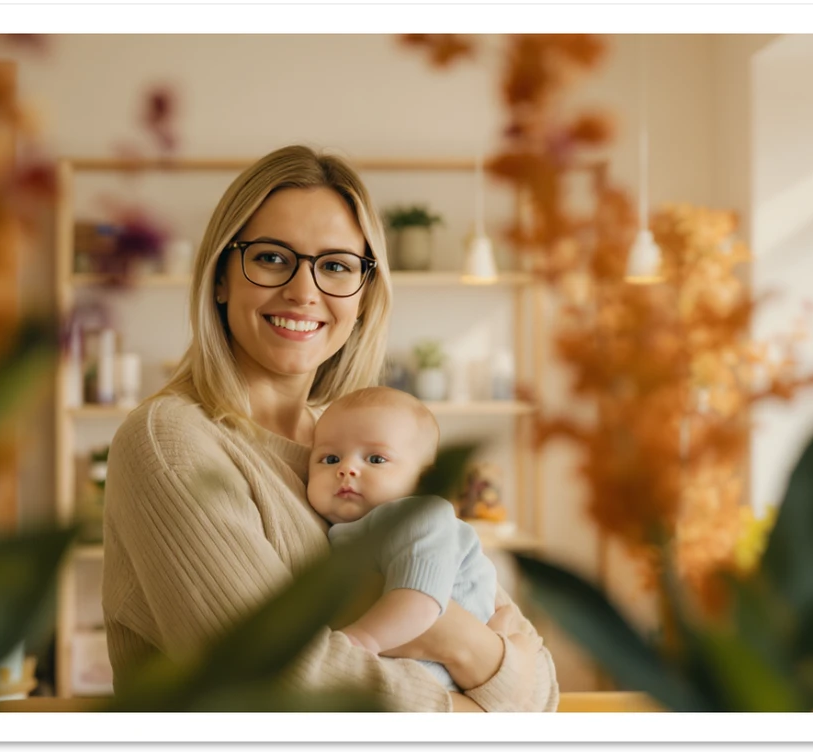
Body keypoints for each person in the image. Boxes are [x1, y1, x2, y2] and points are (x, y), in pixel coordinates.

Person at [100, 144, 559, 712]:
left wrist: (453, 639)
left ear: (364, 296)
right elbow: (271, 686)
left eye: (337, 265)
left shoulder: (355, 452)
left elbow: (541, 685)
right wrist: (470, 705)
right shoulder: (169, 441)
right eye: (271, 258)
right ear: (221, 277)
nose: (304, 290)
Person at [306, 386, 496, 693]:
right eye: (329, 459)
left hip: (443, 679)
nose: (346, 469)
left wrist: (363, 639)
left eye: (376, 459)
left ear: (424, 480)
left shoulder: (420, 516)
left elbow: (420, 597)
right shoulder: (354, 525)